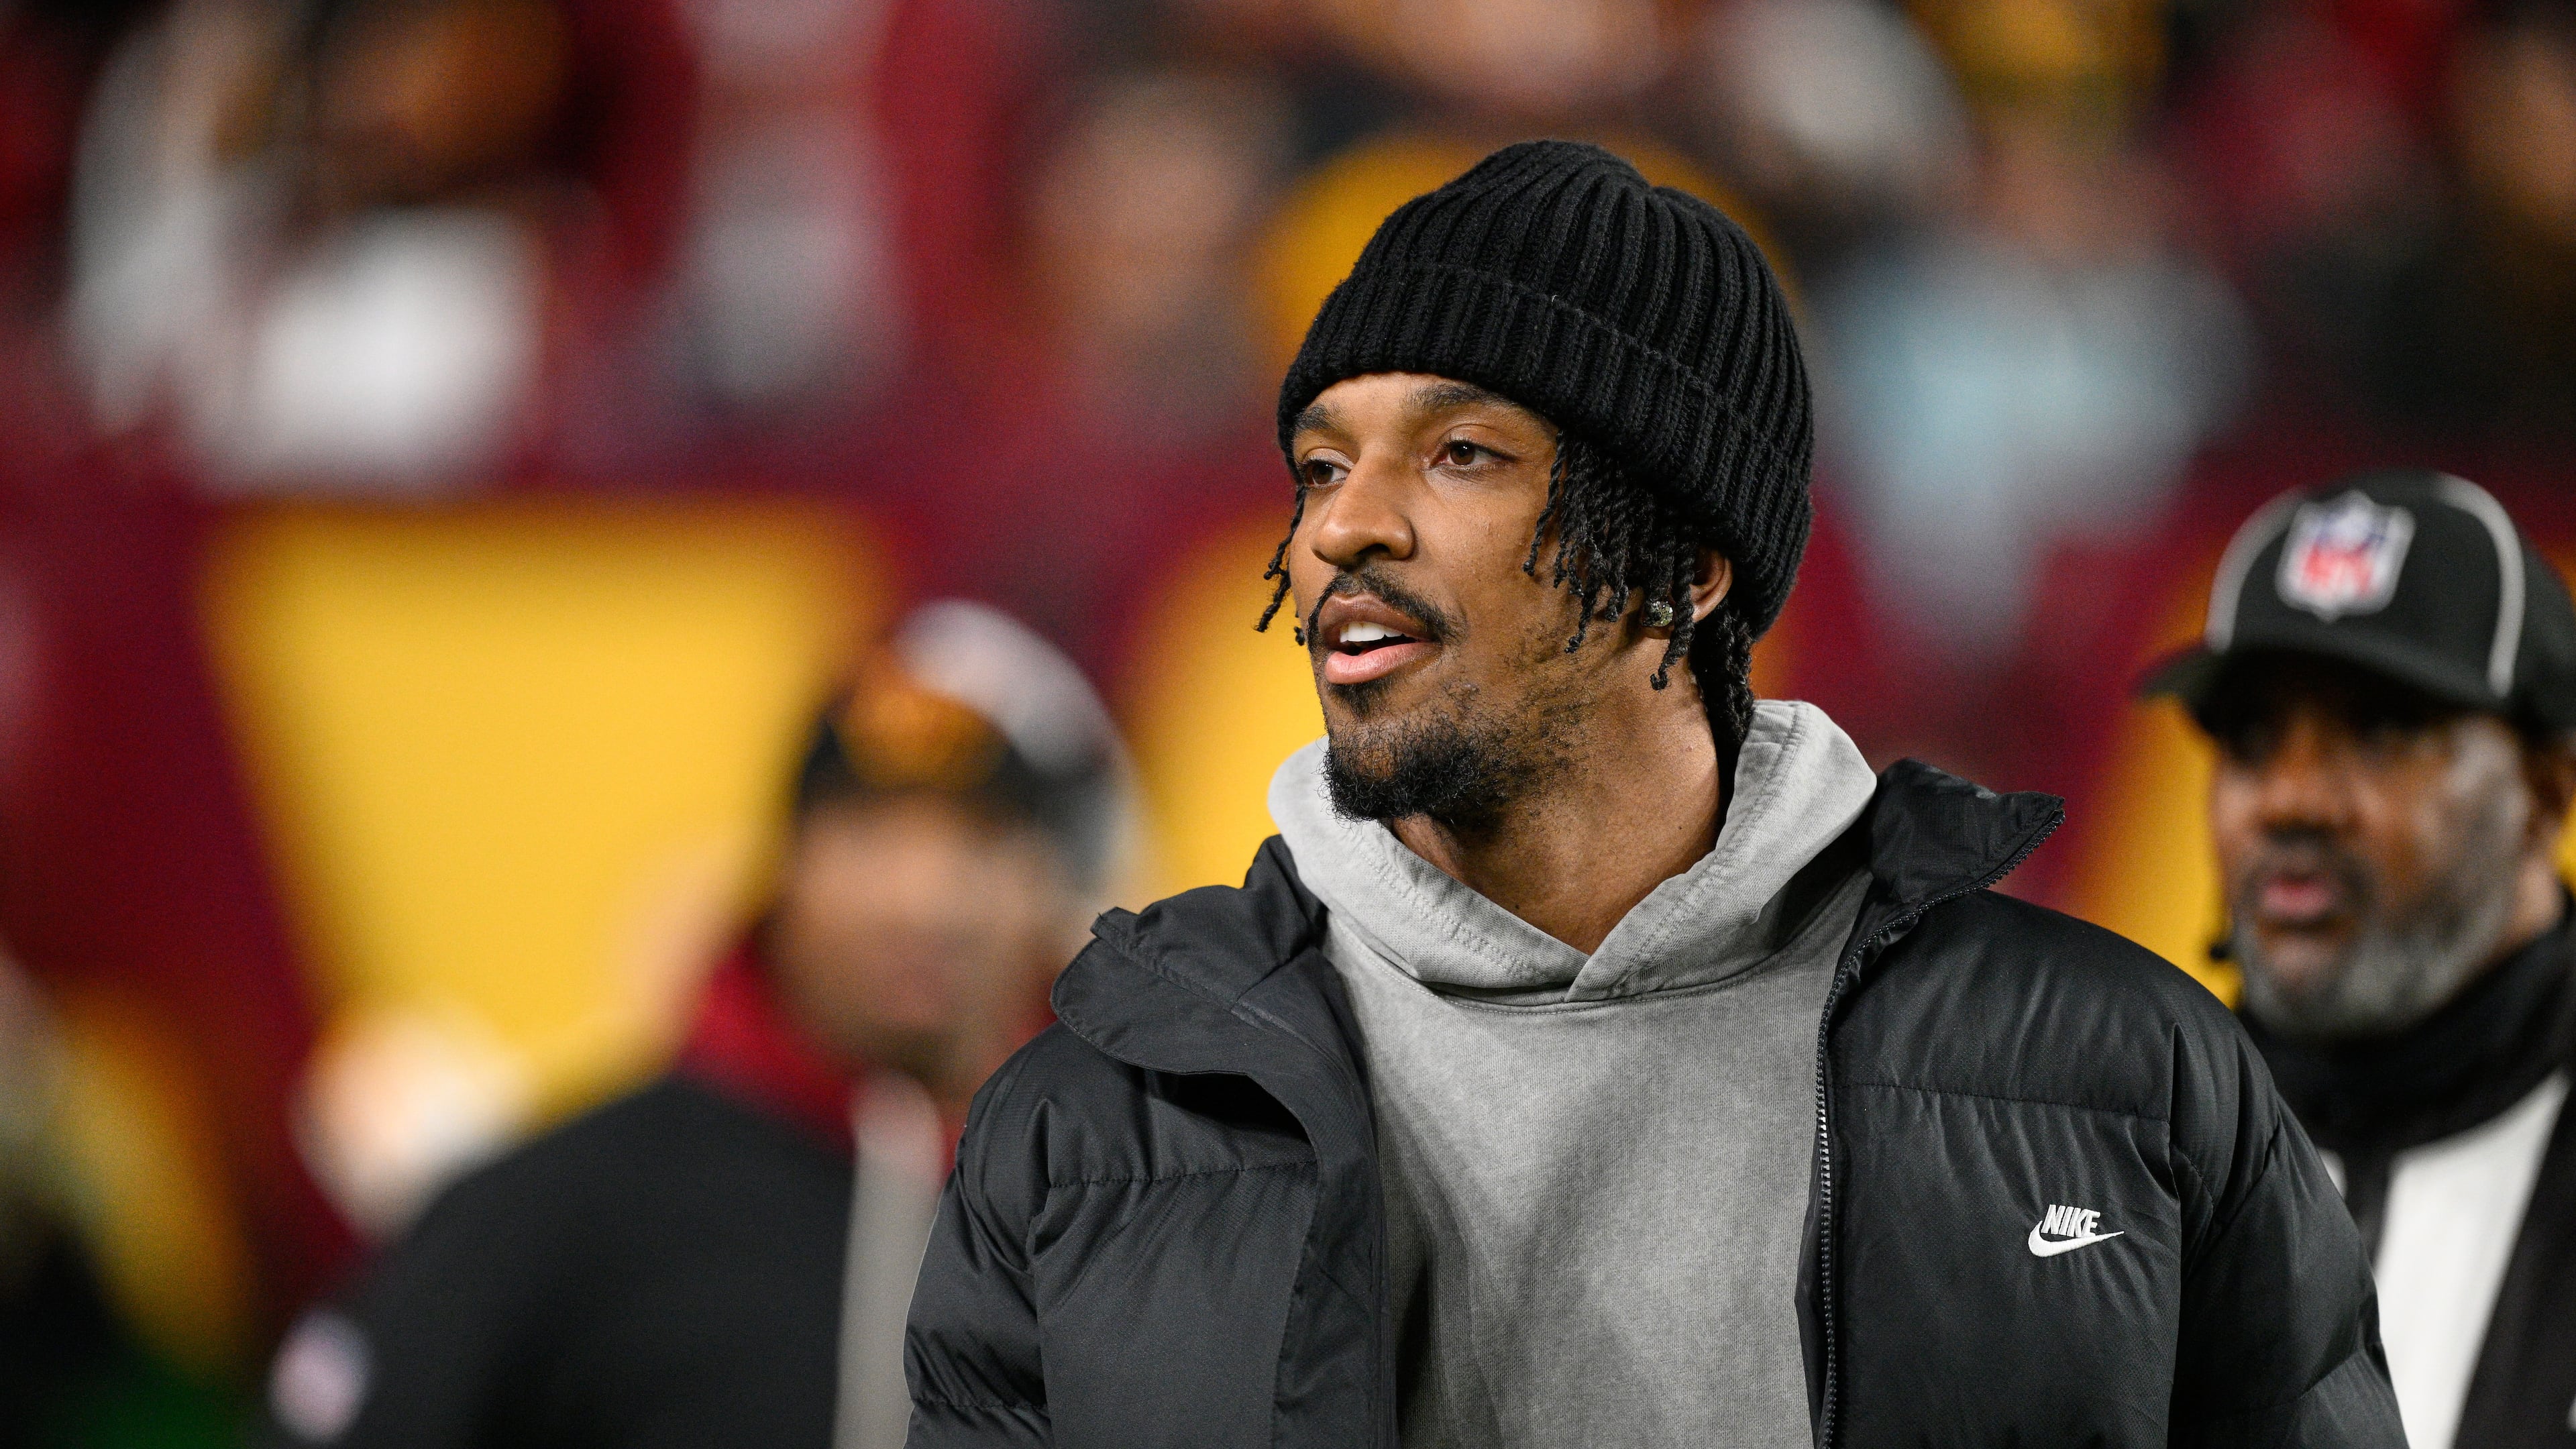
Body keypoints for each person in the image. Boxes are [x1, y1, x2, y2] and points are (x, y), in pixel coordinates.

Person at [903, 140, 2403, 1448]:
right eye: (1321, 465)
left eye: (1461, 453)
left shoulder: (2126, 1080)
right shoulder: (1083, 1135)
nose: (1342, 528)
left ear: (1683, 569)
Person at [258, 601, 1130, 1449]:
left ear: (1057, 891)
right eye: (867, 833)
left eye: (980, 842)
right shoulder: (565, 1202)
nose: (919, 899)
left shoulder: (1133, 1232)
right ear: (785, 865)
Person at [2147, 471, 2576, 1449]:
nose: (2292, 799)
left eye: (2381, 731)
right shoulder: (2118, 1151)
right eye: (2252, 738)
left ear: (2547, 791)